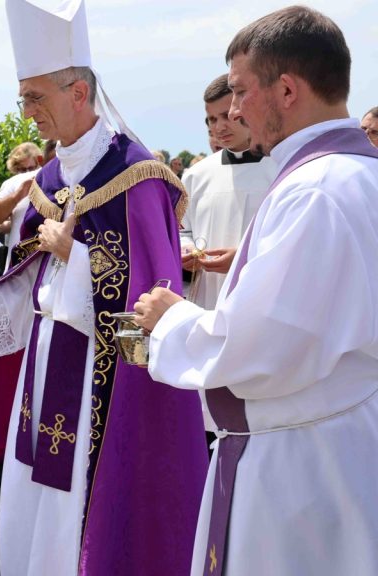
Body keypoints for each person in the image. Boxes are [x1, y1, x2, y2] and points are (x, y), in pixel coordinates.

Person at [0, 1, 207, 574]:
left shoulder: (137, 178)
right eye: (24, 98)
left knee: (82, 520)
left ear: (78, 93)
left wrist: (78, 252)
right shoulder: (46, 181)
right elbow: (25, 286)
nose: (27, 113)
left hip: (105, 382)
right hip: (42, 371)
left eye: (35, 97)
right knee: (31, 509)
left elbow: (153, 305)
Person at [134, 7, 378, 576]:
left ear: (287, 89)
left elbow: (262, 347)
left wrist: (170, 319)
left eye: (242, 92)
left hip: (300, 467)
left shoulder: (316, 190)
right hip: (346, 438)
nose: (234, 110)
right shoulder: (360, 176)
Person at [180, 74, 276, 310]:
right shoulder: (196, 174)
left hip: (262, 298)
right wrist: (188, 251)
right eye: (211, 119)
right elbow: (184, 230)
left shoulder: (279, 169)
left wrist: (244, 257)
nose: (219, 127)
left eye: (226, 116)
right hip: (207, 299)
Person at [0, 142, 42, 274]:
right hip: (19, 256)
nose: (27, 173)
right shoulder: (12, 185)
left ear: (39, 163)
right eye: (22, 170)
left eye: (31, 168)